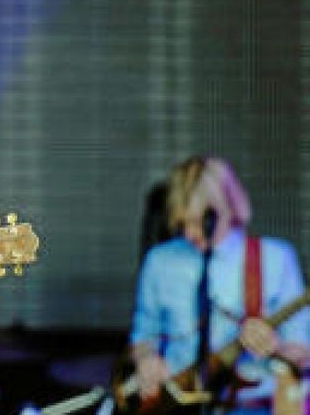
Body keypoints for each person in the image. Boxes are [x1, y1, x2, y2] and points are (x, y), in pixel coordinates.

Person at [129, 156, 310, 414]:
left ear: (228, 206)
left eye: (199, 221)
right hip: (174, 400)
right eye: (183, 223)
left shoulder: (275, 258)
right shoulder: (160, 261)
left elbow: (302, 353)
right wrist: (146, 359)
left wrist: (275, 347)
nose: (191, 233)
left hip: (249, 403)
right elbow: (144, 333)